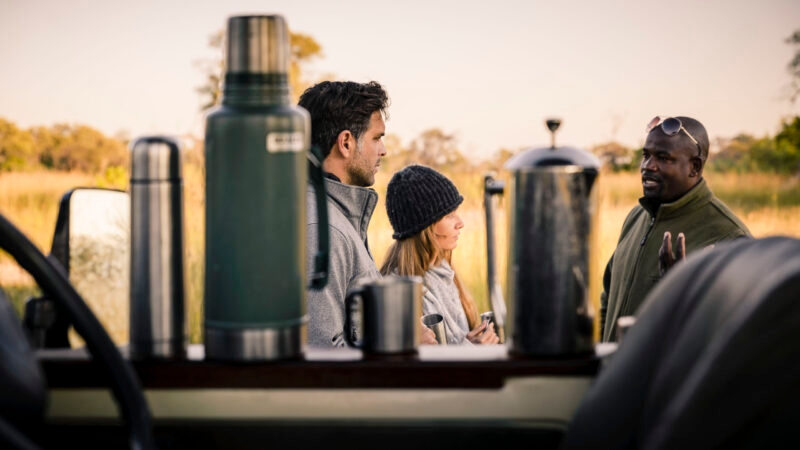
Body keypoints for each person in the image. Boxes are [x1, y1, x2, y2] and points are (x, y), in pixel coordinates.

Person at [299, 81, 437, 347]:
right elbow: (322, 355)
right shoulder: (321, 229)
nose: (383, 150)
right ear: (346, 143)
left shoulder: (334, 215)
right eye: (377, 137)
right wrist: (402, 339)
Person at [599, 115, 751, 342]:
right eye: (646, 155)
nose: (647, 166)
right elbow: (608, 297)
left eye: (663, 158)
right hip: (614, 374)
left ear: (694, 167)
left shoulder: (731, 238)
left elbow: (737, 338)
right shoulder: (636, 216)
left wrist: (683, 292)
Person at [380, 164, 500, 345]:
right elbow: (424, 369)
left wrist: (474, 342)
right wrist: (472, 351)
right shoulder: (398, 293)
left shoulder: (445, 275)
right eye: (449, 215)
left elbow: (454, 346)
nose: (460, 223)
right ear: (425, 227)